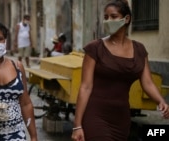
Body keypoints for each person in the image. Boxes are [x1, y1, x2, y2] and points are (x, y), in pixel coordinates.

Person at [71, 0, 169, 141]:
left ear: (126, 19)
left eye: (113, 16)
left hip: (121, 118)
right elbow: (85, 87)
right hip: (95, 114)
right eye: (106, 17)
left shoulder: (139, 50)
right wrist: (77, 125)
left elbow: (147, 83)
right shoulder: (95, 48)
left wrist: (161, 102)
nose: (108, 20)